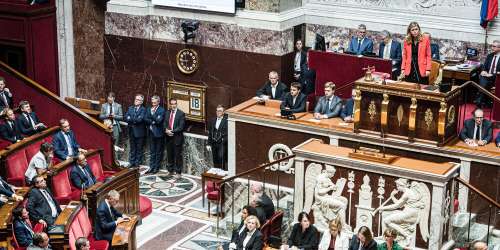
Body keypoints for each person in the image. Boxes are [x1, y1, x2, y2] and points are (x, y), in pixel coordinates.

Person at [475, 40, 500, 108]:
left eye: (494, 46)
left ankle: (478, 103)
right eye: (492, 46)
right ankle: (479, 104)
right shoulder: (490, 56)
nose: (492, 48)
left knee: (482, 84)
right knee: (483, 79)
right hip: (487, 77)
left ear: (499, 48)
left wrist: (492, 74)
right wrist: (483, 71)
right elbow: (484, 67)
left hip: (496, 78)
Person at [164, 98, 186, 178]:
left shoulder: (181, 114)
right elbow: (164, 123)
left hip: (177, 138)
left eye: (175, 104)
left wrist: (171, 131)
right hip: (168, 137)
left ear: (177, 104)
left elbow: (181, 127)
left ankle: (178, 172)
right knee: (169, 155)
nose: (173, 105)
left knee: (177, 156)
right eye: (172, 104)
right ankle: (170, 171)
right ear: (170, 104)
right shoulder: (167, 112)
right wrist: (166, 130)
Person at [125, 94, 147, 168]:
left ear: (141, 102)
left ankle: (137, 163)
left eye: (138, 100)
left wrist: (131, 119)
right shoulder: (130, 108)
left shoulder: (143, 109)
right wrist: (134, 119)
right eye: (135, 99)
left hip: (139, 133)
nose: (136, 101)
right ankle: (132, 162)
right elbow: (126, 117)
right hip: (131, 131)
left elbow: (140, 120)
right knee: (132, 148)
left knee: (139, 149)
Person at [145, 95, 166, 175]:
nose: (153, 104)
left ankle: (156, 167)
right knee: (152, 151)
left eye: (155, 102)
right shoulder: (149, 109)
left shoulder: (161, 110)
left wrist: (152, 114)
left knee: (158, 151)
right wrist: (152, 121)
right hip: (150, 133)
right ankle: (151, 167)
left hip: (158, 134)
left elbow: (159, 121)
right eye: (152, 102)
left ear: (158, 102)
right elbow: (145, 119)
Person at [207, 105, 228, 170]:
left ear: (223, 112)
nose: (218, 112)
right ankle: (216, 173)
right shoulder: (213, 120)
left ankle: (222, 173)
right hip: (214, 143)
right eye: (217, 111)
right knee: (215, 159)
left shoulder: (226, 121)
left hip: (222, 144)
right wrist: (208, 143)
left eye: (220, 111)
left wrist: (223, 140)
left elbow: (228, 133)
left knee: (221, 158)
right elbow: (210, 132)